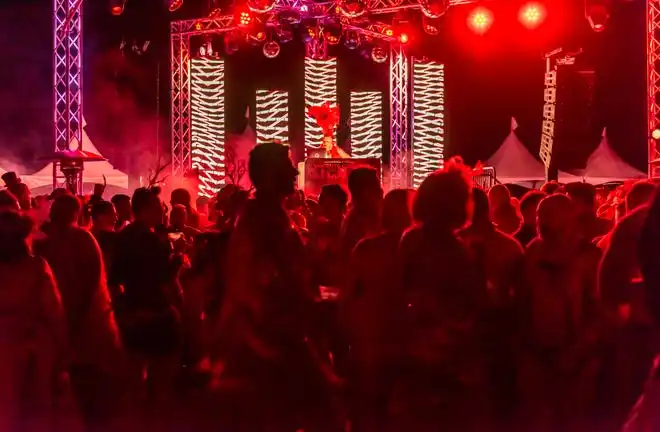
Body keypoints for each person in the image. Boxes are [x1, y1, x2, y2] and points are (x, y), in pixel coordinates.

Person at [216, 142, 339, 431]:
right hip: (269, 345)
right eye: (286, 166)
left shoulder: (265, 216)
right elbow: (274, 284)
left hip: (270, 341)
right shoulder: (265, 221)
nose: (293, 171)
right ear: (271, 174)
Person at [390, 159, 488, 432]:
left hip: (414, 351)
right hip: (448, 359)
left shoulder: (410, 240)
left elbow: (400, 291)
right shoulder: (459, 252)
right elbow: (473, 306)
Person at [33, 194, 123, 431]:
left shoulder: (78, 239)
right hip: (81, 327)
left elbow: (88, 285)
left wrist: (71, 322)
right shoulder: (61, 240)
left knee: (90, 393)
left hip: (85, 327)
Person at [516, 194, 602, 432]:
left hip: (577, 362)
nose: (547, 230)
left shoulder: (588, 258)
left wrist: (578, 351)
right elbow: (523, 302)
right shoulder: (533, 252)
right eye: (543, 224)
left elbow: (598, 312)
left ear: (570, 222)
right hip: (538, 358)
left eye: (554, 225)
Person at [341, 188, 415, 432]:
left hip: (370, 340)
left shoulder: (366, 249)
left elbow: (348, 295)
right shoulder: (418, 251)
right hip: (407, 341)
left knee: (370, 410)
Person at [112, 187, 184, 425]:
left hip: (133, 313)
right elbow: (165, 281)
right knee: (162, 380)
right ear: (145, 210)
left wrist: (123, 310)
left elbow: (114, 279)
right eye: (158, 207)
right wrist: (177, 262)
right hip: (157, 314)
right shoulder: (154, 241)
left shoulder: (122, 237)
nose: (162, 211)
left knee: (134, 380)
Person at [460, 187, 524, 427]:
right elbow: (522, 297)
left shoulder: (454, 245)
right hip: (498, 332)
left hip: (482, 333)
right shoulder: (509, 246)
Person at [0, 210, 68, 431]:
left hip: (14, 351)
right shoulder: (36, 267)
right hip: (34, 350)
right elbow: (54, 311)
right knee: (34, 414)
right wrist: (62, 350)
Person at [597, 181, 656, 427]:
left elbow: (607, 281)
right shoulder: (636, 227)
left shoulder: (629, 227)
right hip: (641, 330)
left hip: (637, 328)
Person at [340, 167, 383, 260]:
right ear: (366, 192)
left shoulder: (352, 218)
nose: (381, 192)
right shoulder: (360, 222)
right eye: (378, 188)